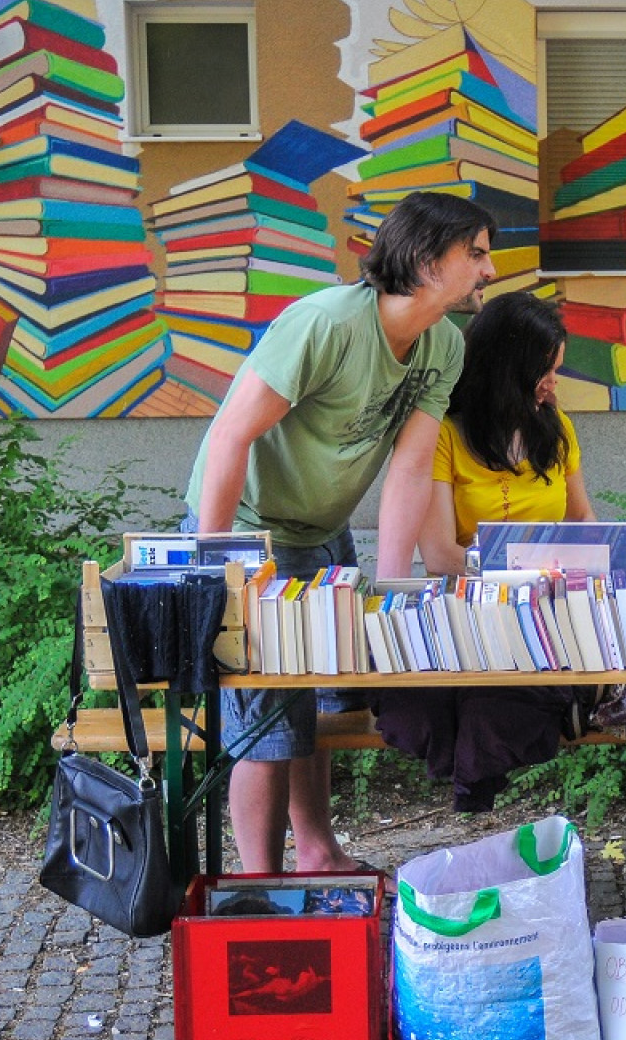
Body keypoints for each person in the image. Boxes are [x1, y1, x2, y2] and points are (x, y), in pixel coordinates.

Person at [184, 191, 499, 874]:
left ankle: (317, 853)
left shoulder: (442, 344)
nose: (488, 269)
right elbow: (232, 434)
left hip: (324, 535)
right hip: (248, 532)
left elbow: (411, 469)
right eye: (474, 253)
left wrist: (387, 587)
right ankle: (258, 883)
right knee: (265, 718)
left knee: (322, 706)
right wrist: (214, 561)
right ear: (423, 258)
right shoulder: (324, 324)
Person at [371, 292, 596, 811]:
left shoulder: (555, 428)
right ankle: (472, 771)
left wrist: (595, 556)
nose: (553, 384)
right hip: (467, 609)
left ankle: (476, 771)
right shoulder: (445, 435)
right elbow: (442, 557)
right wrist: (527, 568)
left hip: (546, 610)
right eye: (545, 371)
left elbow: (582, 521)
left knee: (504, 701)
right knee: (434, 706)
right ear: (504, 370)